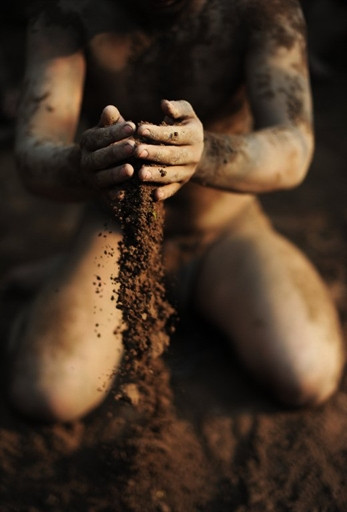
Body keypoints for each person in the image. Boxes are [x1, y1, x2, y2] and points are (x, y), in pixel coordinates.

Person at [8, 0, 344, 422]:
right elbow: (33, 154)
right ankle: (64, 276)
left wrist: (206, 156)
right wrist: (82, 163)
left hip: (224, 229)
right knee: (45, 394)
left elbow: (294, 146)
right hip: (114, 230)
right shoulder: (67, 11)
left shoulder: (264, 8)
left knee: (305, 372)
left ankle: (88, 273)